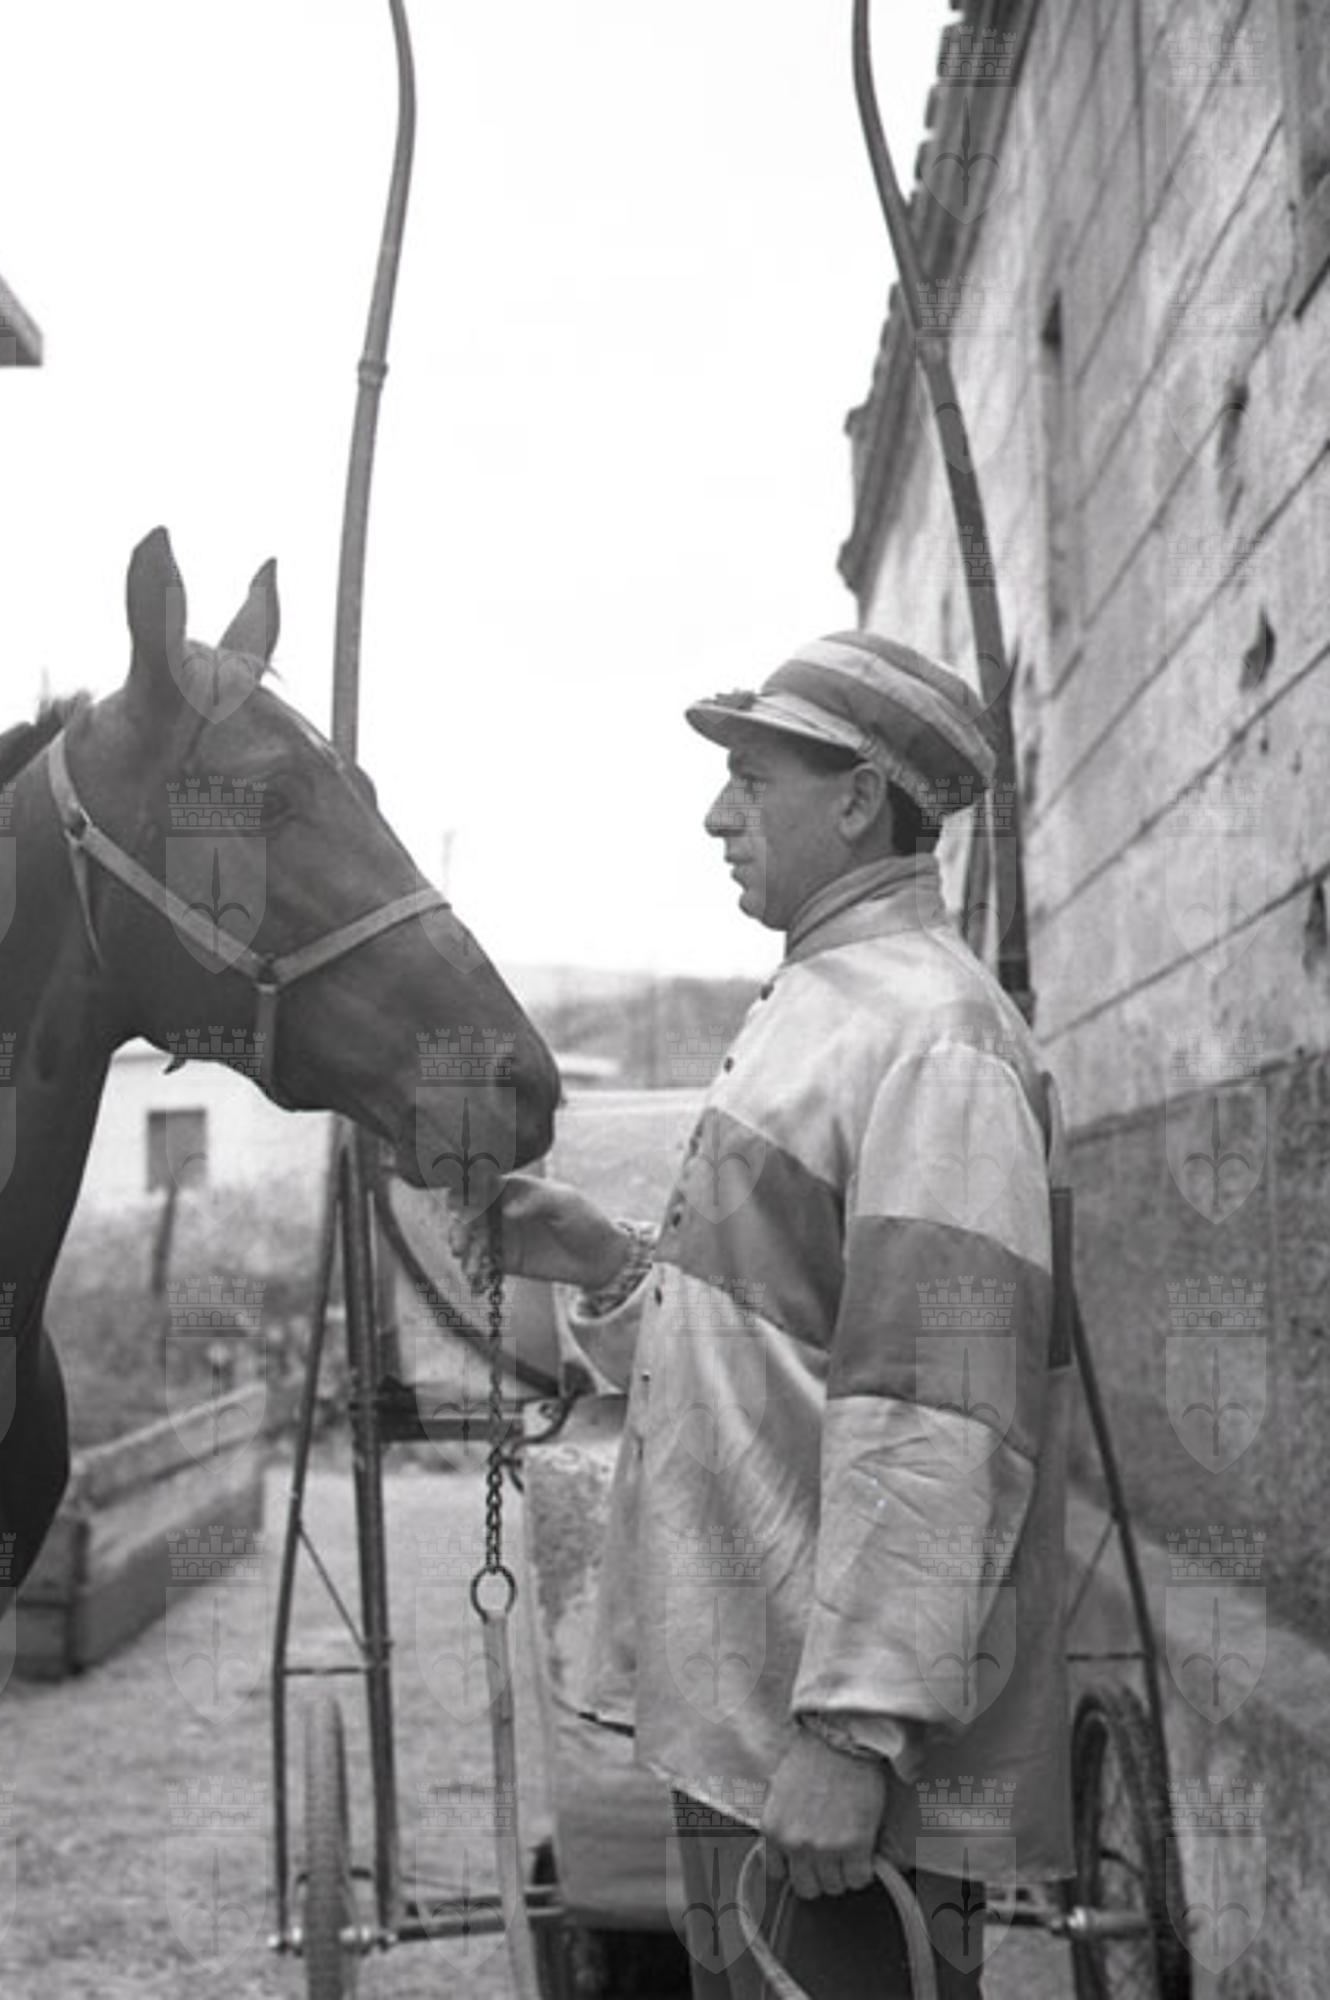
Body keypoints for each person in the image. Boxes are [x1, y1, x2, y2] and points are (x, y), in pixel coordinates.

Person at [454, 633, 1075, 1999]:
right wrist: (604, 1264)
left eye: (751, 779)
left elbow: (939, 1414)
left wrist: (855, 1736)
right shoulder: (824, 1002)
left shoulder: (933, 1038)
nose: (716, 815)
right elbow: (772, 1340)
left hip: (833, 1759)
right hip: (756, 1718)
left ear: (857, 799)